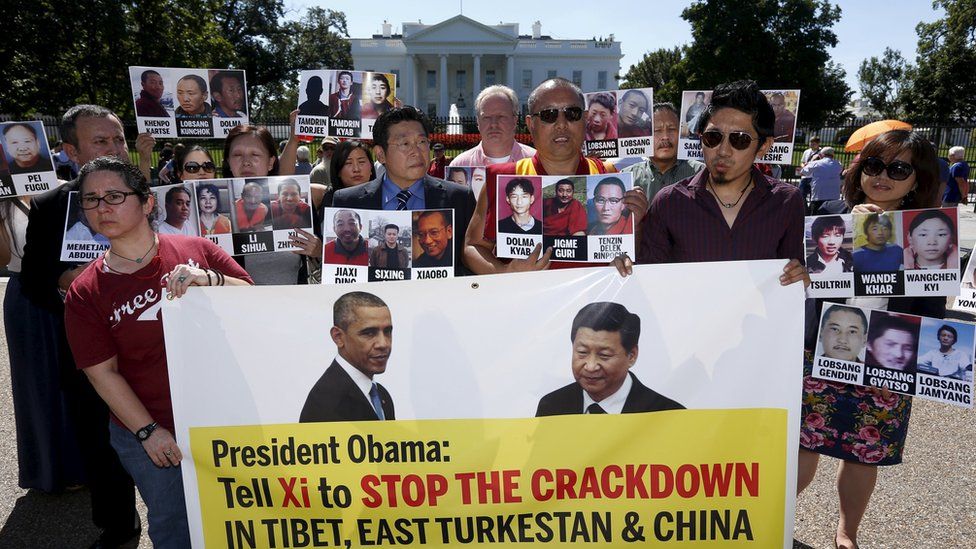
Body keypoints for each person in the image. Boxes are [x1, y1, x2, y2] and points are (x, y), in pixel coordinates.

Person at [64, 157, 251, 548]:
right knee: (174, 527)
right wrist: (148, 431)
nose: (103, 207)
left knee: (244, 517)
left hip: (224, 419)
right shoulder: (85, 291)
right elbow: (102, 373)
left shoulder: (196, 249)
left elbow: (258, 305)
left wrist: (212, 279)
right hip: (149, 432)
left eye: (114, 196)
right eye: (91, 200)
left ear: (148, 203)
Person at [798, 129, 943, 549]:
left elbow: (931, 306)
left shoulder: (927, 232)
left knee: (865, 452)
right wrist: (851, 230)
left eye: (899, 169)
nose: (884, 176)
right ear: (860, 169)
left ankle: (847, 531)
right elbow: (802, 282)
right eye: (875, 165)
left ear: (917, 180)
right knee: (803, 447)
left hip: (888, 355)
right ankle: (774, 518)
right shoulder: (826, 214)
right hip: (822, 347)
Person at [21, 104, 157, 548]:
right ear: (70, 151)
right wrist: (68, 282)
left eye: (118, 139)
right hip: (91, 354)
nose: (115, 148)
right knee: (101, 446)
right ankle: (119, 527)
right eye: (101, 142)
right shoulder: (48, 205)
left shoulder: (149, 192)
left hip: (158, 349)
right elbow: (34, 276)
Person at [465, 77, 648, 274]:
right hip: (528, 298)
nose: (561, 124)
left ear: (585, 119)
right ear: (530, 124)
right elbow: (471, 248)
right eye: (549, 115)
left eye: (572, 113)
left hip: (593, 300)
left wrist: (635, 227)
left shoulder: (608, 176)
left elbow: (631, 255)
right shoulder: (503, 179)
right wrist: (506, 272)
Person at [637, 81, 805, 281]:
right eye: (712, 137)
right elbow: (649, 280)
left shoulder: (787, 202)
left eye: (739, 139)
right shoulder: (668, 202)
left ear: (763, 146)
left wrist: (799, 278)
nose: (723, 151)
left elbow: (792, 278)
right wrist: (619, 268)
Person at [1, 197, 84, 495]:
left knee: (79, 379)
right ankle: (46, 470)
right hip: (26, 296)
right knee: (36, 384)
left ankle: (84, 465)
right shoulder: (4, 205)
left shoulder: (61, 191)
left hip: (75, 289)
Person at [331, 106, 476, 276]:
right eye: (405, 144)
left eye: (422, 142)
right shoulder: (348, 201)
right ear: (380, 154)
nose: (416, 152)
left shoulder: (459, 197)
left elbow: (469, 263)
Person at [536, 302, 684, 416]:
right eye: (582, 352)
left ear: (632, 356)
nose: (591, 366)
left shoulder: (668, 414)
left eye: (604, 355)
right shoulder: (551, 406)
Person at [300, 291, 395, 422]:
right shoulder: (327, 403)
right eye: (369, 333)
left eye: (387, 332)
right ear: (338, 337)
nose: (383, 344)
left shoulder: (381, 395)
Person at [622, 103, 704, 200]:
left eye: (671, 129)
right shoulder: (627, 177)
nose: (665, 137)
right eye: (657, 130)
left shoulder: (701, 173)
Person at [450, 85, 536, 167]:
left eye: (501, 117)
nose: (494, 124)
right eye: (487, 117)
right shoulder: (460, 165)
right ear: (478, 122)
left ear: (514, 120)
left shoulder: (536, 162)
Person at [801, 146, 843, 214]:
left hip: (819, 196)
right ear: (833, 155)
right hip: (834, 196)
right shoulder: (838, 164)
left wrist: (812, 160)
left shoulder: (816, 163)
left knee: (815, 217)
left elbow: (803, 172)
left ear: (822, 154)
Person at [799, 136, 822, 204]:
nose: (811, 145)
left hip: (814, 177)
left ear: (818, 144)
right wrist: (803, 166)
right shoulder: (806, 151)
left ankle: (811, 210)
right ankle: (805, 210)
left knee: (813, 196)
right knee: (801, 194)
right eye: (810, 143)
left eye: (813, 144)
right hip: (805, 176)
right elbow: (802, 162)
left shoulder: (821, 152)